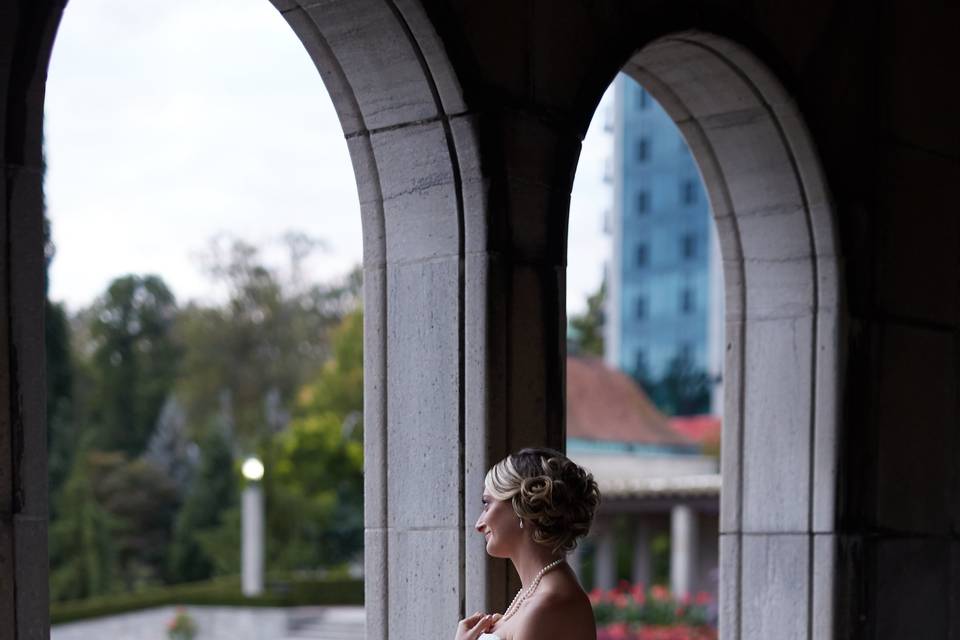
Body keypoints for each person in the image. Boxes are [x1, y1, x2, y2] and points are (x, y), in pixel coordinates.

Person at [455, 447, 601, 640]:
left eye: (486, 504)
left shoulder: (546, 604)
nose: (479, 524)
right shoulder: (533, 595)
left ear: (522, 507)